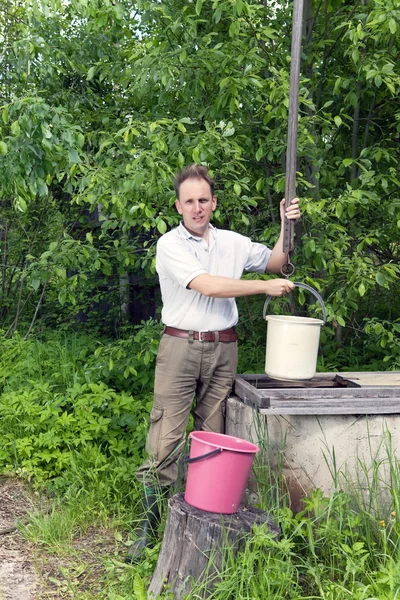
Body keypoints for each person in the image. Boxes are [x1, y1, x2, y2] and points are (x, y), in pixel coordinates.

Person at [126, 164, 300, 562]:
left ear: (213, 202)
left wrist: (284, 226)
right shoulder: (170, 245)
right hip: (180, 349)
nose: (197, 207)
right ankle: (149, 528)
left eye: (204, 199)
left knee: (214, 438)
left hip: (224, 350)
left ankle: (206, 522)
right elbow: (207, 285)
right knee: (166, 437)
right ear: (178, 206)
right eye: (190, 201)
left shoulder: (233, 243)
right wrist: (262, 287)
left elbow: (276, 262)